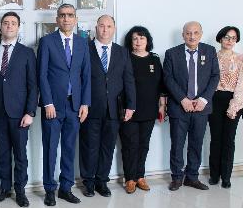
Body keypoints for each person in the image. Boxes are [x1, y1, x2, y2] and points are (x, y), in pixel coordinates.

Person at [38, 4, 91, 206]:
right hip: (53, 106)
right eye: (62, 15)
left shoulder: (82, 43)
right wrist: (47, 102)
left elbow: (85, 75)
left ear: (75, 19)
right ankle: (49, 189)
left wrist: (85, 103)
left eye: (70, 15)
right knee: (50, 148)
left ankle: (66, 188)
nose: (66, 19)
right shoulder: (47, 42)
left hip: (74, 105)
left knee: (69, 148)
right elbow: (42, 75)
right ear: (57, 19)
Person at [0, 12, 38, 207]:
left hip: (20, 114)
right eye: (6, 23)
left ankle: (20, 191)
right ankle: (4, 188)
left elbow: (33, 85)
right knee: (3, 154)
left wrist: (30, 112)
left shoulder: (27, 53)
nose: (9, 26)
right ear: (1, 27)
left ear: (18, 27)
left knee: (20, 155)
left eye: (13, 23)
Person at [80, 15, 135, 197]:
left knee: (108, 147)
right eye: (102, 26)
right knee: (89, 146)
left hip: (114, 108)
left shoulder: (122, 52)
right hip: (90, 107)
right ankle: (88, 181)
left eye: (109, 26)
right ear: (96, 28)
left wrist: (131, 106)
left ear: (114, 29)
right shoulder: (84, 48)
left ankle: (101, 181)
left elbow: (128, 80)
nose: (105, 29)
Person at [163, 21, 220, 191]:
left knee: (196, 144)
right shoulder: (172, 53)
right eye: (188, 33)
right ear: (183, 35)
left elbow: (215, 76)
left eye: (195, 33)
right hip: (179, 107)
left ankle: (192, 177)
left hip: (201, 108)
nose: (192, 36)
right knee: (177, 144)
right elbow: (167, 78)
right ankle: (176, 177)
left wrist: (203, 100)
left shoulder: (209, 51)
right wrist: (183, 99)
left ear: (201, 34)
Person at [119, 26, 166, 194]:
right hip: (129, 109)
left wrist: (162, 106)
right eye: (135, 38)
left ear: (147, 40)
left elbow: (161, 84)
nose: (138, 42)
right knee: (130, 145)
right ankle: (130, 178)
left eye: (142, 38)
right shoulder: (125, 58)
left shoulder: (154, 59)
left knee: (144, 144)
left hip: (149, 109)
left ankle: (140, 176)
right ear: (130, 42)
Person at [208, 26, 243, 188]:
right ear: (220, 39)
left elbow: (241, 83)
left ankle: (226, 176)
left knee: (229, 139)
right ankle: (214, 175)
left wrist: (234, 105)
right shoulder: (212, 56)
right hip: (214, 99)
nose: (230, 41)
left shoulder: (241, 58)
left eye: (233, 38)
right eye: (226, 37)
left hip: (234, 99)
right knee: (216, 138)